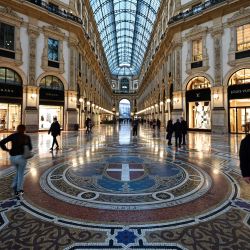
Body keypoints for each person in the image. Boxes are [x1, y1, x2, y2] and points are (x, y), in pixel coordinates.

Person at [0, 124, 32, 196]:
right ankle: (19, 190)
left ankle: (14, 184)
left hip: (13, 158)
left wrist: (7, 150)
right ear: (24, 129)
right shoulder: (26, 137)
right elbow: (30, 148)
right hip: (21, 158)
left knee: (18, 171)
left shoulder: (13, 135)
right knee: (21, 174)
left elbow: (1, 142)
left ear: (17, 129)